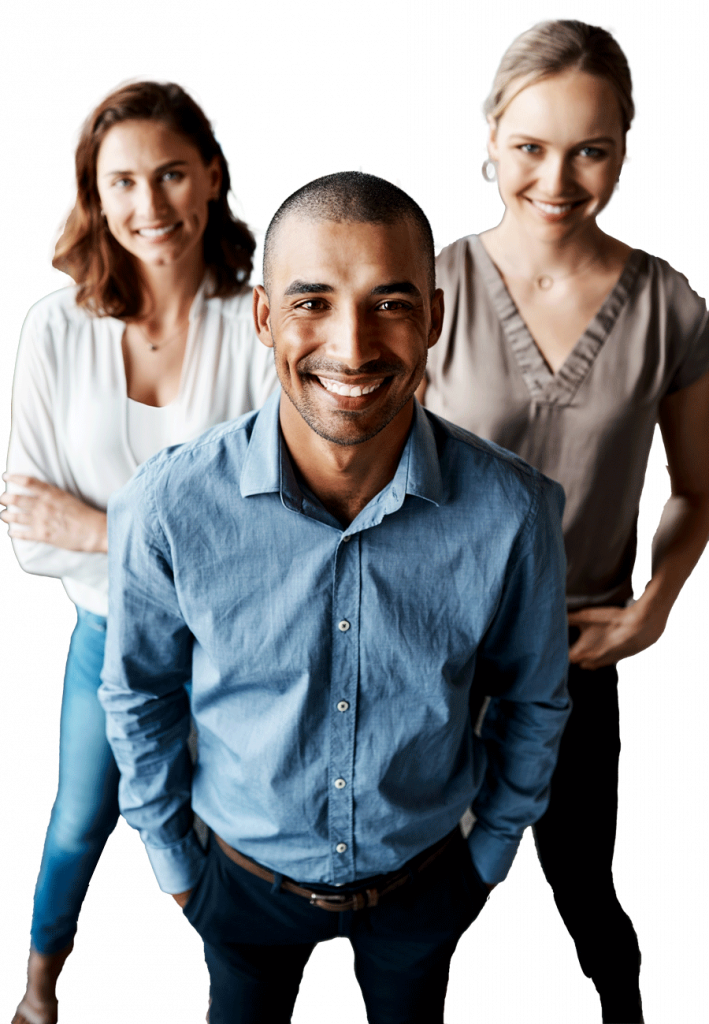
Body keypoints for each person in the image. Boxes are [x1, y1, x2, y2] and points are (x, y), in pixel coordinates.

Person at [98, 169, 571, 1024]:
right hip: (236, 881)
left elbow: (532, 700)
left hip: (427, 879)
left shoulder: (515, 512)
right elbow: (140, 693)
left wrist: (487, 857)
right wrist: (174, 864)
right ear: (263, 316)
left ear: (432, 317)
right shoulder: (166, 506)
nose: (352, 348)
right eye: (311, 302)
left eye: (389, 303)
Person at [420, 17, 709, 1024]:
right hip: (432, 655)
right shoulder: (427, 286)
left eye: (591, 149)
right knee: (414, 897)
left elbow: (693, 493)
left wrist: (650, 609)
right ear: (489, 136)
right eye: (531, 146)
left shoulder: (667, 303)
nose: (557, 177)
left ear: (625, 146)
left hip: (578, 655)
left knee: (585, 888)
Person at [3, 77, 277, 1024]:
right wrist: (157, 544)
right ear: (92, 192)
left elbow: (274, 529)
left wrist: (99, 529)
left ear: (209, 177)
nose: (148, 206)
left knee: (234, 831)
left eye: (169, 175)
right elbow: (31, 536)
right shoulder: (53, 329)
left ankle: (238, 997)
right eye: (121, 182)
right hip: (110, 635)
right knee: (81, 821)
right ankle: (39, 986)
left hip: (244, 642)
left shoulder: (262, 318)